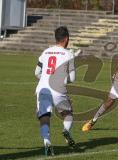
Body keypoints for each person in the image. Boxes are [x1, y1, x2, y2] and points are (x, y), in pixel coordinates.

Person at [35, 26, 78, 156]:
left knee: (44, 116)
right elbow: (72, 78)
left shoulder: (46, 52)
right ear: (66, 39)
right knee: (68, 113)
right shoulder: (68, 54)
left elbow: (37, 72)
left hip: (42, 88)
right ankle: (66, 130)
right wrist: (64, 80)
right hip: (58, 89)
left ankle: (47, 141)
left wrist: (44, 78)